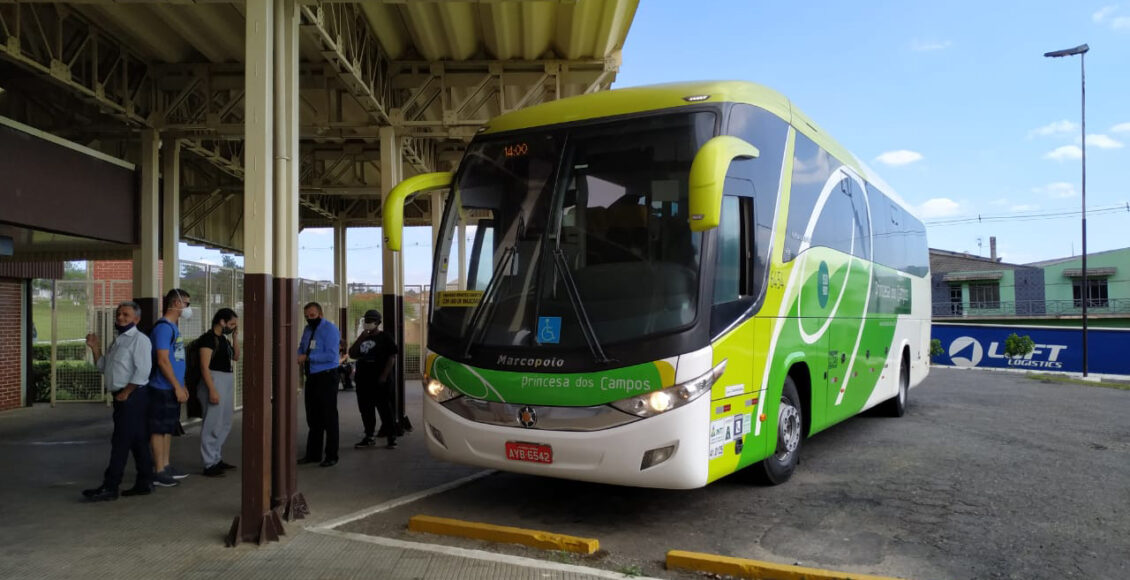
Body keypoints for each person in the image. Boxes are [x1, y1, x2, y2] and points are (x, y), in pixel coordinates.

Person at [82, 301, 155, 501]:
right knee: (138, 440)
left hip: (133, 397)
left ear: (137, 319)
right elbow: (103, 366)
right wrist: (95, 347)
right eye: (119, 314)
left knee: (121, 441)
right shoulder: (119, 340)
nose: (121, 318)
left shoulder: (140, 340)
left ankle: (111, 486)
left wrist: (127, 392)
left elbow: (143, 371)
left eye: (126, 315)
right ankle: (145, 482)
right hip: (123, 396)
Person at [148, 288, 192, 487]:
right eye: (187, 304)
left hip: (173, 387)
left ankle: (165, 465)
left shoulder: (173, 327)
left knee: (167, 429)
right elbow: (163, 361)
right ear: (176, 304)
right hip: (162, 387)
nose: (187, 309)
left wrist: (181, 386)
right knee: (158, 429)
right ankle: (158, 470)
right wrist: (176, 386)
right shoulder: (164, 328)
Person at [297, 302, 342, 467]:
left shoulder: (329, 329)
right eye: (307, 316)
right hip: (312, 377)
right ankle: (313, 454)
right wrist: (298, 355)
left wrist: (308, 358)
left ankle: (331, 455)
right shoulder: (308, 330)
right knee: (313, 417)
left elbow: (331, 355)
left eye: (313, 315)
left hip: (327, 376)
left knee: (329, 417)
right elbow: (302, 348)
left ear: (320, 314)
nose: (309, 319)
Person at [348, 310, 399, 449]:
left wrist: (384, 375)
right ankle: (369, 436)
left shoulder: (385, 337)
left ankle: (391, 436)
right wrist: (360, 338)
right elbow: (352, 353)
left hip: (380, 380)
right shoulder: (363, 337)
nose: (368, 323)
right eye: (366, 320)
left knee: (384, 409)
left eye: (371, 321)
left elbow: (392, 357)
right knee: (366, 409)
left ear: (378, 323)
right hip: (363, 380)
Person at [198, 308, 240, 477]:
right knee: (212, 423)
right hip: (214, 380)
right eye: (231, 324)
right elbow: (204, 366)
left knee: (225, 422)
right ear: (221, 321)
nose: (233, 327)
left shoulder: (223, 339)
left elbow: (236, 357)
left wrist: (235, 337)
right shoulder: (208, 339)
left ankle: (216, 457)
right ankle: (209, 463)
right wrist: (212, 389)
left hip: (226, 379)